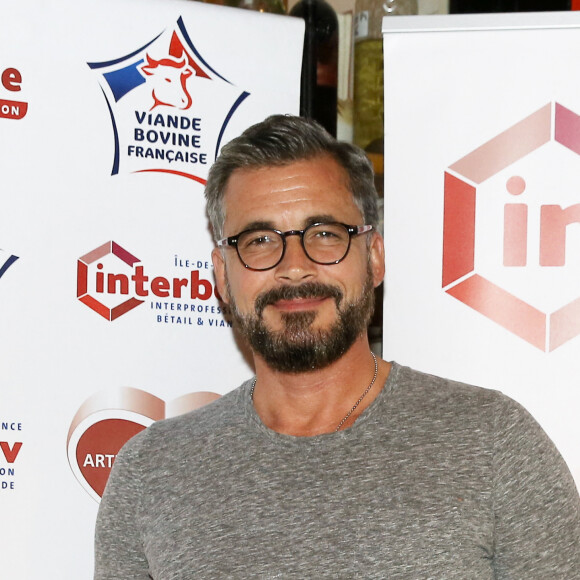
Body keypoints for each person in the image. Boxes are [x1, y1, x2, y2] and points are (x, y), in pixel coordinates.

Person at [94, 115, 579, 579]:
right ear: (222, 275)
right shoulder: (153, 471)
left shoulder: (490, 441)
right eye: (261, 239)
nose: (295, 266)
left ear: (374, 256)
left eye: (325, 235)